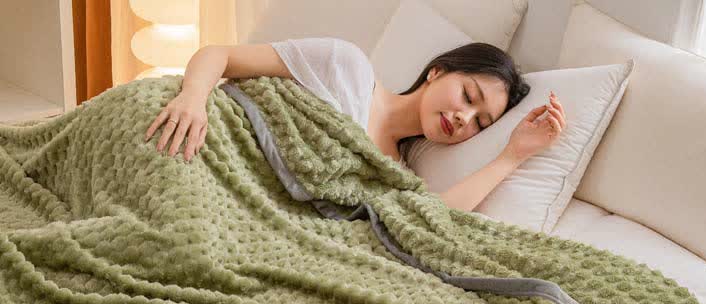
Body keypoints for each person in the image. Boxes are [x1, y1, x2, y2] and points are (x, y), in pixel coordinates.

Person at [144, 38, 566, 212]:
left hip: (236, 206)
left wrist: (512, 156)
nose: (464, 118)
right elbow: (220, 55)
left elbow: (431, 217)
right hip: (194, 134)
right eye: (468, 97)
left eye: (480, 122)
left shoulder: (395, 172)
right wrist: (192, 99)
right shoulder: (346, 66)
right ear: (438, 71)